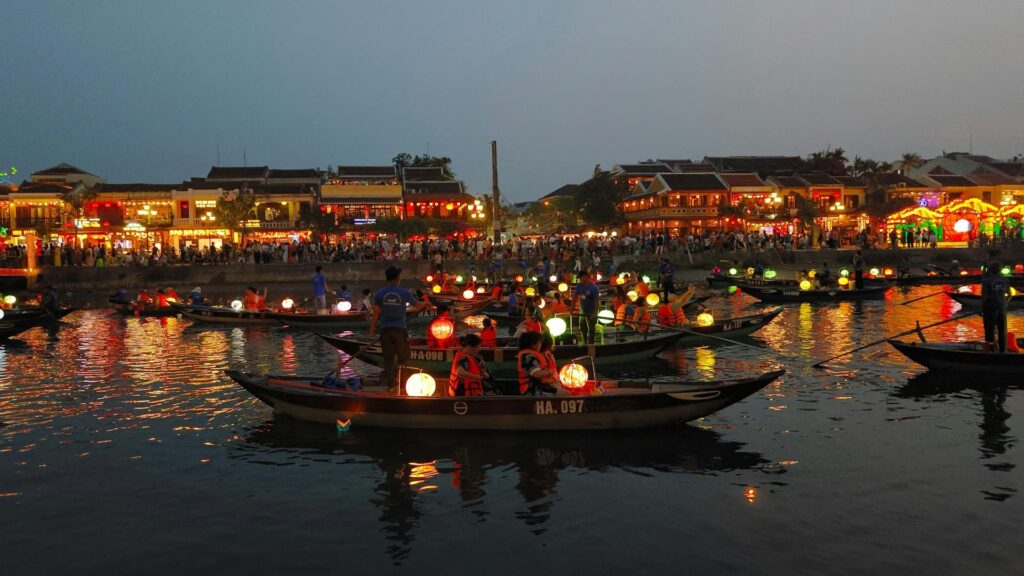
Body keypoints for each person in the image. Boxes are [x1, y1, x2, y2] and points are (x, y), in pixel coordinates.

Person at [370, 266, 430, 391]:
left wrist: (372, 329)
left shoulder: (379, 293)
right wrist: (427, 303)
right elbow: (418, 306)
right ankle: (403, 384)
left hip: (385, 330)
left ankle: (391, 386)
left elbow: (375, 313)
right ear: (397, 279)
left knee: (389, 359)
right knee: (403, 358)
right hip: (399, 330)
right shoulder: (405, 292)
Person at [981, 261, 1011, 353]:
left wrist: (982, 308)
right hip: (1002, 309)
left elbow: (985, 297)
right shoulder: (1006, 280)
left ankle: (991, 351)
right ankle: (1002, 351)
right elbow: (1009, 295)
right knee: (1002, 332)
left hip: (990, 309)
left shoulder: (986, 281)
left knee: (989, 332)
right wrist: (1005, 304)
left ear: (990, 271)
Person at [517, 331, 556, 396]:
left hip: (540, 387)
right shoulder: (528, 356)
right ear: (533, 344)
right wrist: (550, 372)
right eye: (539, 342)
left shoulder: (533, 355)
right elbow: (536, 374)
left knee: (566, 392)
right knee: (565, 394)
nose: (540, 345)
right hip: (532, 389)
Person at [573, 271, 601, 344]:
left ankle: (591, 344)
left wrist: (595, 313)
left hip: (591, 311)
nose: (580, 280)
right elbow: (575, 297)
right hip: (582, 310)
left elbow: (597, 301)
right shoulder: (579, 286)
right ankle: (584, 341)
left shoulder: (594, 288)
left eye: (580, 278)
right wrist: (571, 308)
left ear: (585, 276)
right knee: (582, 327)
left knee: (591, 329)